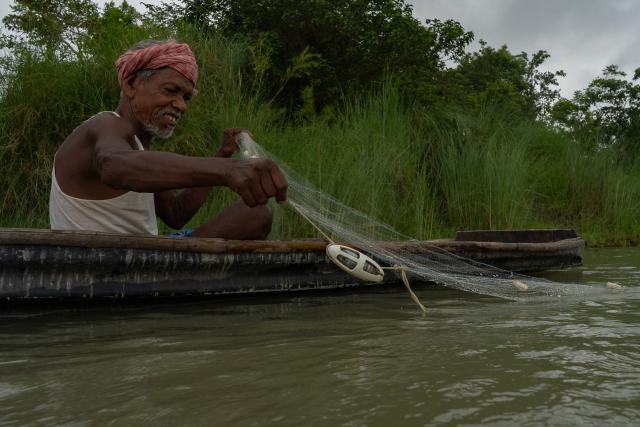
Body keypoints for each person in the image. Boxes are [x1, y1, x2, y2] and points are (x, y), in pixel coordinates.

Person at [49, 39, 287, 239]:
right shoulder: (106, 125)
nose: (181, 105)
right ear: (131, 84)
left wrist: (223, 154)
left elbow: (175, 214)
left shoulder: (139, 152)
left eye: (186, 97)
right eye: (171, 91)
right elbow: (113, 166)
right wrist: (227, 169)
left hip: (142, 261)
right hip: (104, 268)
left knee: (256, 214)